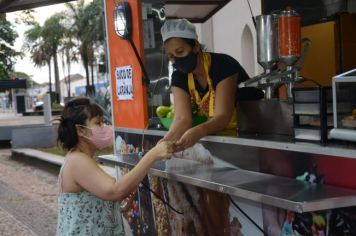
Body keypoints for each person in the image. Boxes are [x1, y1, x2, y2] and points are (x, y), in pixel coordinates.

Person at [56, 97, 173, 235]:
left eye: (103, 122)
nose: (104, 127)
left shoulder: (79, 157)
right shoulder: (78, 161)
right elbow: (114, 191)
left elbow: (97, 197)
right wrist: (152, 155)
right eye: (98, 123)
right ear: (80, 130)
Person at [160, 18, 263, 151]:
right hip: (224, 138)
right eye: (171, 56)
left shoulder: (222, 65)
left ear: (196, 46)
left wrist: (197, 132)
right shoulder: (179, 76)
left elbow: (222, 116)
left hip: (255, 133)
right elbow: (181, 118)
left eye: (180, 52)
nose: (176, 60)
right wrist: (165, 142)